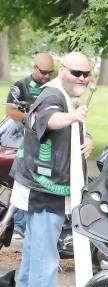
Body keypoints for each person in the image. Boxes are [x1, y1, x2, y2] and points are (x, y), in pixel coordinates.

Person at [9, 51, 93, 287]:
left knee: (34, 248)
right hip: (44, 188)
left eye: (86, 74)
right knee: (45, 253)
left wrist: (87, 138)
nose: (81, 78)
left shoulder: (66, 96)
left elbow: (70, 127)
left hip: (40, 184)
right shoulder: (53, 96)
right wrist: (71, 118)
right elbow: (50, 120)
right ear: (62, 70)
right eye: (75, 73)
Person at [6, 53, 55, 239]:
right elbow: (10, 111)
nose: (47, 76)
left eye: (51, 72)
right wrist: (33, 120)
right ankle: (19, 226)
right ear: (34, 68)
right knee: (23, 183)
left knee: (43, 184)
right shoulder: (20, 87)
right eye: (44, 72)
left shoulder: (53, 87)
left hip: (48, 145)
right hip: (24, 142)